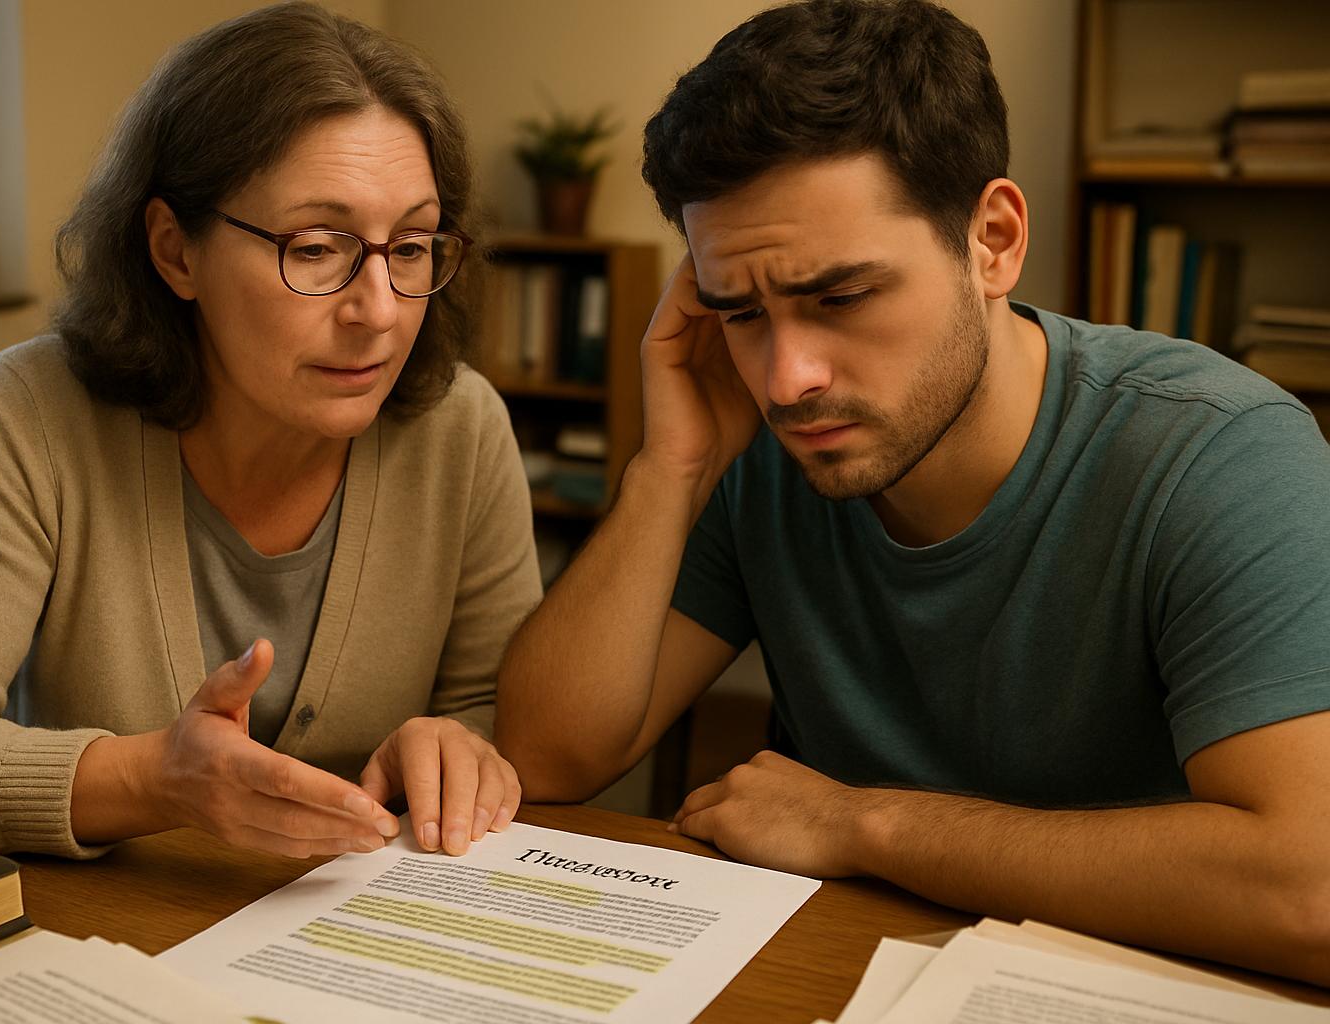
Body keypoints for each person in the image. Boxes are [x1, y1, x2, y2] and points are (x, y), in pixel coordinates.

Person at [497, 0, 1330, 984]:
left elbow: (1308, 891)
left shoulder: (1221, 453)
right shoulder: (759, 446)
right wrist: (667, 469)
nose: (786, 377)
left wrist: (866, 824)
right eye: (740, 311)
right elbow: (545, 760)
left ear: (993, 240)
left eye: (840, 297)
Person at [0, 2, 540, 863]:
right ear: (175, 250)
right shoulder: (34, 411)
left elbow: (492, 712)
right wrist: (148, 780)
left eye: (414, 246)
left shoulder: (460, 427)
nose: (380, 312)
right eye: (316, 247)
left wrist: (458, 748)